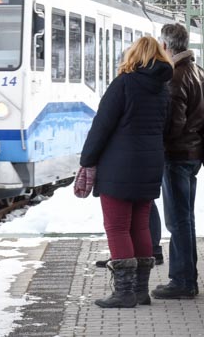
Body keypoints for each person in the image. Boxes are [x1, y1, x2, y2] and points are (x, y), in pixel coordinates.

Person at [79, 36, 174, 309]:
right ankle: (140, 291)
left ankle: (124, 293)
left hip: (119, 167)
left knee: (117, 227)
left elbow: (102, 125)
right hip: (150, 164)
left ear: (133, 56)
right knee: (140, 225)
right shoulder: (162, 89)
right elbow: (165, 128)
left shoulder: (124, 84)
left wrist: (88, 160)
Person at [151, 23, 204, 300]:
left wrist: (159, 145)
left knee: (178, 221)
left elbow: (174, 122)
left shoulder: (176, 77)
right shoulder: (199, 72)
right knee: (187, 218)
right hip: (193, 154)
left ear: (166, 46)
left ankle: (183, 281)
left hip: (176, 156)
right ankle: (187, 277)